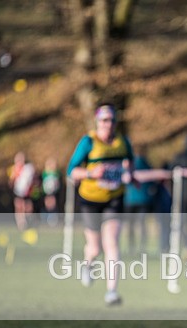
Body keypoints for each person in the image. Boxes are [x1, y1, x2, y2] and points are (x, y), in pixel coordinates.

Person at [67, 104, 134, 306]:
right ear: (98, 122)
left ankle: (112, 291)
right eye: (104, 120)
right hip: (90, 199)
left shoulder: (123, 142)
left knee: (112, 242)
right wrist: (90, 173)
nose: (109, 124)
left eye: (112, 120)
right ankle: (88, 265)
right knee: (95, 248)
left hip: (114, 197)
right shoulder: (88, 142)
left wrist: (129, 175)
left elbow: (130, 164)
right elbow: (71, 171)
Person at [122, 147, 151, 255]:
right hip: (140, 201)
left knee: (132, 226)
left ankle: (132, 247)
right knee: (141, 225)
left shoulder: (130, 165)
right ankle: (141, 248)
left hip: (130, 200)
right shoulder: (145, 164)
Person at [8, 151, 37, 231]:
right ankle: (21, 224)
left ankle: (29, 222)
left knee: (28, 207)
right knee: (19, 207)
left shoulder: (28, 169)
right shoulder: (14, 169)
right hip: (18, 192)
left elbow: (34, 179)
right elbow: (11, 183)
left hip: (27, 192)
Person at [40, 157, 61, 227]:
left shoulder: (56, 173)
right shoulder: (45, 173)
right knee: (48, 205)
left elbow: (58, 182)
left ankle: (53, 219)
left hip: (54, 192)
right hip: (47, 192)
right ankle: (47, 218)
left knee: (53, 205)